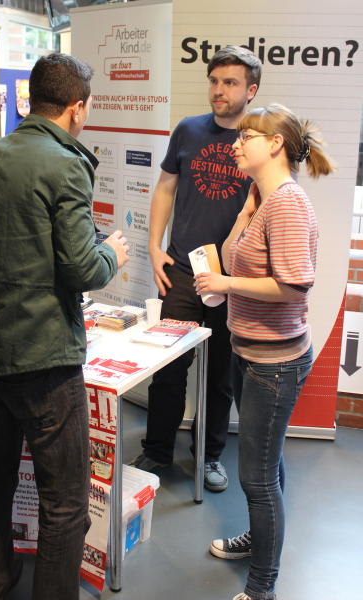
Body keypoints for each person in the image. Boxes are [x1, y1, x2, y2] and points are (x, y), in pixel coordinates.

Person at [0, 53, 129, 600]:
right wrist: (112, 253)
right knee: (65, 502)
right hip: (44, 360)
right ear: (76, 108)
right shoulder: (67, 165)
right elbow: (81, 269)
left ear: (30, 101)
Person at [194, 103, 334, 600]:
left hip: (275, 364)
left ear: (274, 144)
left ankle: (262, 587)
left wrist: (224, 282)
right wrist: (246, 212)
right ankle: (259, 542)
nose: (236, 142)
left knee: (255, 475)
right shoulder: (263, 198)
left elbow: (295, 286)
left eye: (247, 135)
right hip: (249, 351)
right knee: (266, 466)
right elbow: (233, 252)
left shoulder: (289, 203)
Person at [131, 46, 262, 492]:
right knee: (169, 366)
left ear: (252, 90)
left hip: (235, 279)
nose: (219, 90)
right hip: (184, 271)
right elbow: (166, 187)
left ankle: (210, 455)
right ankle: (157, 450)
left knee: (221, 372)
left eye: (230, 83)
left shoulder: (260, 139)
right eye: (215, 80)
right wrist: (153, 245)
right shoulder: (188, 131)